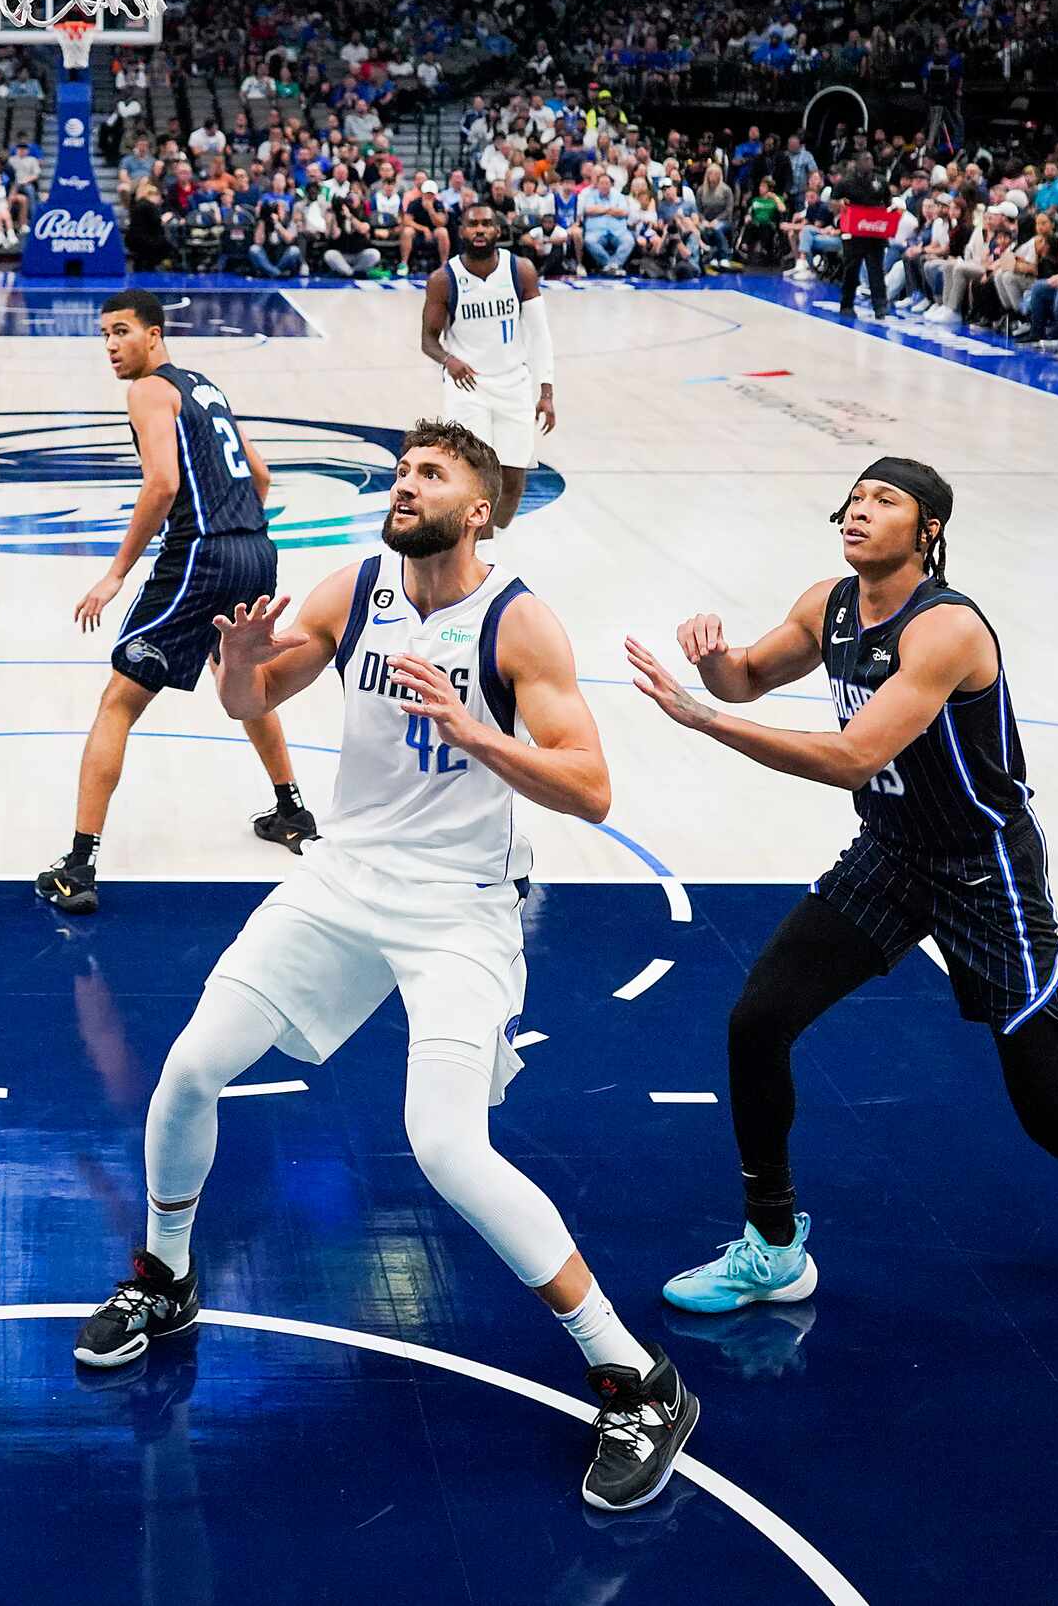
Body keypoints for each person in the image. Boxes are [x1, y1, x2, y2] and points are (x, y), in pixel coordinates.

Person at [72, 423, 699, 1512]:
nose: (404, 484)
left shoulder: (517, 623)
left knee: (446, 1146)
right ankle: (165, 1275)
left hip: (458, 910)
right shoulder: (355, 588)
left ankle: (636, 1380)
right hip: (344, 880)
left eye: (430, 474)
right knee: (185, 1073)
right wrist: (234, 662)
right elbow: (251, 703)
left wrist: (476, 731)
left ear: (479, 510)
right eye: (401, 470)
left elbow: (588, 788)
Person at [623, 459, 1058, 1318]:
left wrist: (708, 720)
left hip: (985, 874)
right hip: (890, 854)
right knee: (756, 1021)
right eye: (857, 497)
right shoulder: (826, 603)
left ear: (928, 532)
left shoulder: (943, 630)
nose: (859, 511)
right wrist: (713, 662)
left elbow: (852, 757)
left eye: (885, 502)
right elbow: (749, 678)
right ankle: (771, 1247)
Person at [38, 290, 314, 915]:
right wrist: (240, 532)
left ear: (154, 336)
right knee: (242, 676)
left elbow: (161, 483)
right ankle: (291, 810)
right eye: (103, 335)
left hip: (200, 557)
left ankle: (78, 865)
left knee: (120, 700)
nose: (111, 346)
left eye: (122, 332)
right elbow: (260, 474)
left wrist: (114, 575)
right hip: (256, 549)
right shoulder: (203, 386)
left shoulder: (147, 391)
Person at [419, 203, 553, 533]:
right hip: (467, 390)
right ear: (461, 231)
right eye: (472, 224)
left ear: (498, 230)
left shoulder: (520, 271)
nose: (479, 230)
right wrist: (448, 360)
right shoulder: (443, 280)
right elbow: (428, 340)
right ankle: (483, 551)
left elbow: (540, 336)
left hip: (514, 385)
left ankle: (491, 538)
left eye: (486, 224)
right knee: (476, 478)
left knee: (512, 483)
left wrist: (546, 392)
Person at [830, 155, 895, 320]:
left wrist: (890, 214)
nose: (869, 162)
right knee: (851, 269)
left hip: (874, 231)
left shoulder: (880, 181)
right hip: (854, 232)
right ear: (857, 163)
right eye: (865, 160)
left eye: (871, 160)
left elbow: (889, 203)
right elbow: (833, 201)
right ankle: (846, 305)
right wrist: (840, 205)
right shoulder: (846, 182)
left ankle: (880, 307)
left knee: (876, 270)